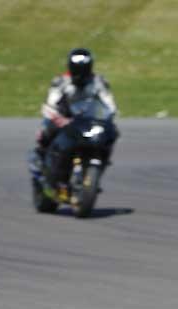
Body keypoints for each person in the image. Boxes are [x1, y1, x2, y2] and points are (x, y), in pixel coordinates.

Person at [29, 47, 118, 201]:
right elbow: (51, 104)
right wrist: (58, 118)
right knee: (46, 133)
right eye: (77, 70)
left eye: (84, 70)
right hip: (63, 119)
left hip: (88, 120)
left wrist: (108, 117)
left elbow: (109, 104)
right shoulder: (61, 81)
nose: (80, 75)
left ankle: (99, 165)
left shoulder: (99, 82)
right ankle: (41, 164)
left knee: (112, 133)